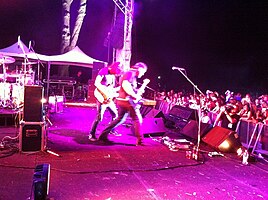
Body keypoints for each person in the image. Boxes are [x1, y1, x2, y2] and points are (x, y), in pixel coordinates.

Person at [98, 62, 149, 146]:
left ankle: (103, 135)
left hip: (122, 101)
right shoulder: (130, 73)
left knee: (120, 119)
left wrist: (144, 85)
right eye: (143, 72)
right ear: (139, 68)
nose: (143, 74)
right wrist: (134, 95)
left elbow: (132, 89)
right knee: (137, 119)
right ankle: (140, 141)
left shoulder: (130, 74)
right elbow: (125, 85)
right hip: (127, 101)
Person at [88, 62, 123, 141]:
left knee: (115, 115)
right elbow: (96, 83)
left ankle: (112, 130)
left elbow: (111, 88)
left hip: (109, 98)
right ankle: (91, 134)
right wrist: (104, 93)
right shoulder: (104, 71)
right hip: (102, 97)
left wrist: (118, 89)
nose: (116, 73)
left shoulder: (113, 76)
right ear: (113, 68)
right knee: (99, 117)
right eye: (116, 71)